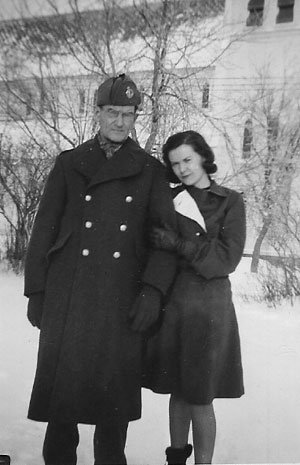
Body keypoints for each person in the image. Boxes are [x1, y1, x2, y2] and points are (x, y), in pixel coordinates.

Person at [24, 73, 177, 465]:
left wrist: (153, 291)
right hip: (70, 299)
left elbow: (164, 241)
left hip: (121, 303)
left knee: (112, 420)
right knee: (62, 412)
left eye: (129, 114)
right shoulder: (69, 163)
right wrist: (36, 292)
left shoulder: (149, 170)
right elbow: (44, 232)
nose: (121, 122)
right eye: (113, 113)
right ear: (97, 113)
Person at [145, 130, 246, 465]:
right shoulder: (170, 199)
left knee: (200, 395)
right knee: (178, 388)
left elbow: (225, 261)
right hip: (177, 305)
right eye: (175, 164)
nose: (182, 169)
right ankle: (176, 460)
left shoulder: (231, 201)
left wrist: (178, 244)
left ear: (203, 156)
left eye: (187, 159)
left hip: (210, 308)